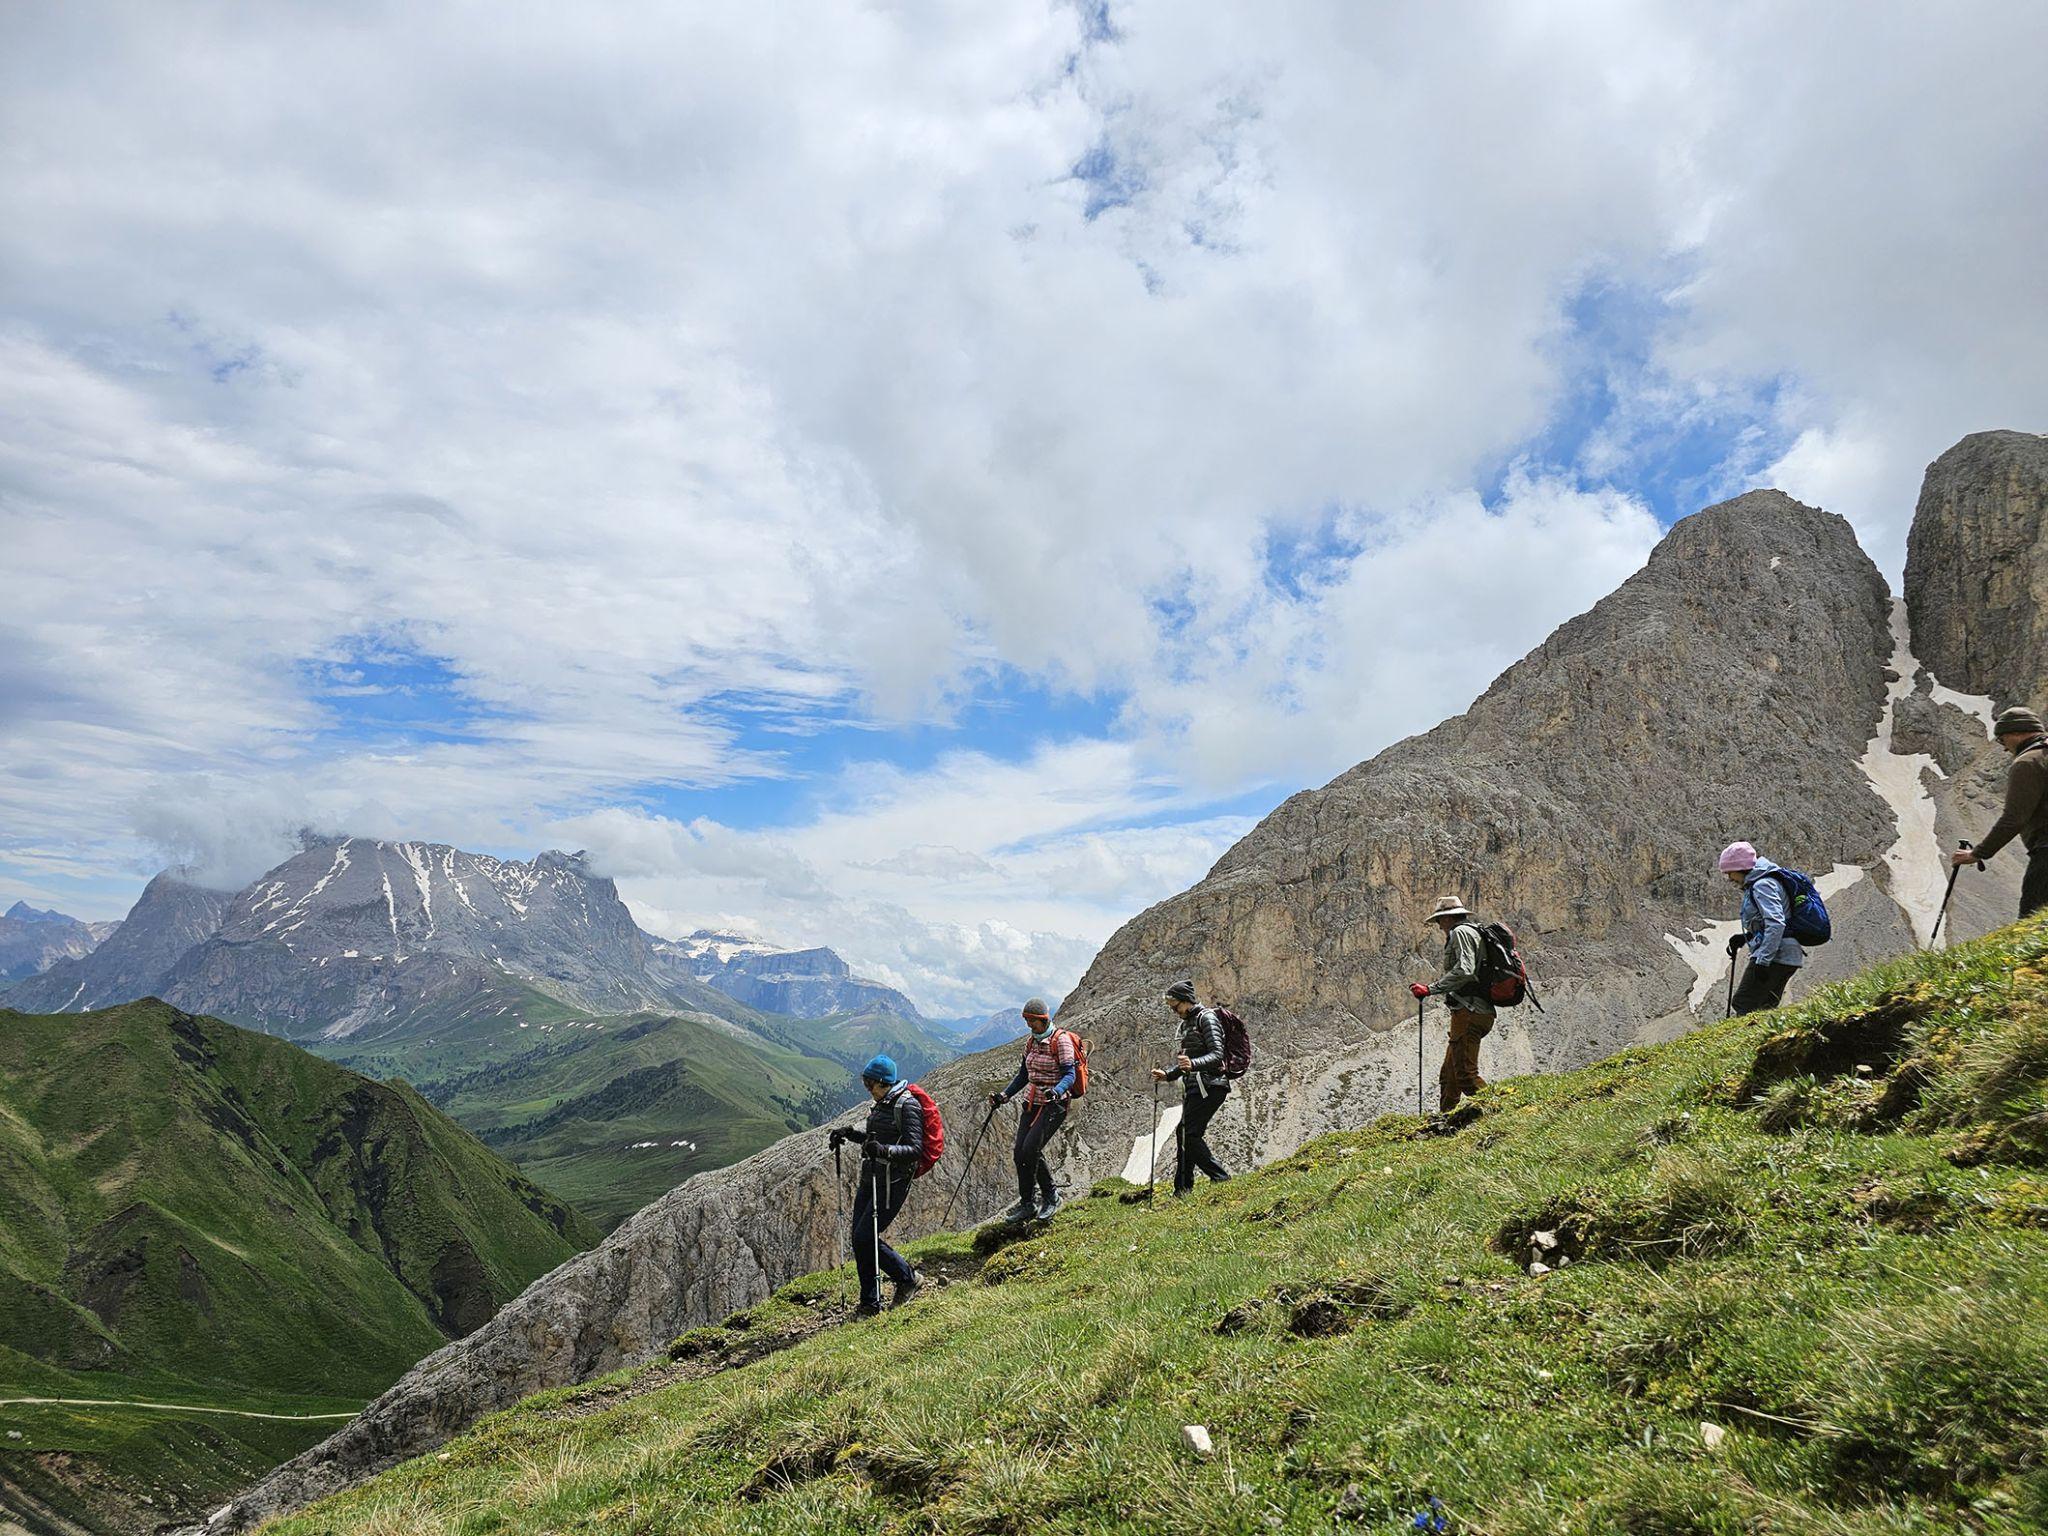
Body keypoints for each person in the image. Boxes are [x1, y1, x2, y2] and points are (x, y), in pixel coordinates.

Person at [828, 1054, 924, 1316]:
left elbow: (915, 1149)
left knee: (864, 1237)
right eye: (866, 1085)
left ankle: (907, 1279)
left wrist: (882, 1150)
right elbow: (874, 1140)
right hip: (870, 1177)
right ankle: (870, 1302)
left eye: (872, 1085)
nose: (869, 1090)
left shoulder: (907, 1106)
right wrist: (849, 1133)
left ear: (884, 1082)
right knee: (859, 1240)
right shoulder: (883, 1103)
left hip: (893, 1182)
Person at [1952, 706, 2048, 921]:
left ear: (2016, 732)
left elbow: (2014, 819)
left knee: (2032, 925)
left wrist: (1977, 854)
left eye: (2002, 740)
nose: (2004, 749)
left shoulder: (2028, 763)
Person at [988, 998, 1075, 1222]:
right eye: (1026, 1020)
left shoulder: (1061, 1041)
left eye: (1032, 1021)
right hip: (1032, 1102)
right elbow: (1023, 1076)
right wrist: (1004, 1095)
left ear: (1043, 1019)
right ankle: (1027, 1204)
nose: (1028, 1025)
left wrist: (1056, 1091)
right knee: (1020, 1153)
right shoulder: (1031, 1042)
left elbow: (1070, 1074)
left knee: (1031, 1149)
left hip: (1054, 1104)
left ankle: (1051, 1196)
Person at [1408, 896, 1495, 1112]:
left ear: (1448, 918)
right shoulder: (1474, 931)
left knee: (1465, 1074)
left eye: (1439, 921)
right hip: (1475, 1011)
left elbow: (1465, 969)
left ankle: (1498, 1111)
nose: (1439, 926)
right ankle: (1444, 1121)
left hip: (1470, 1011)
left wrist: (1430, 989)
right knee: (1449, 1075)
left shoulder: (1461, 933)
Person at [1150, 980, 1231, 1194]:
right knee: (1184, 1133)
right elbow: (1187, 1061)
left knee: (1188, 1133)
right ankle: (1182, 1188)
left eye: (1176, 1006)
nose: (1174, 1011)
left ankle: (1219, 1177)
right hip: (1197, 1086)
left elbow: (1217, 1055)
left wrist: (1193, 1064)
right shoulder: (1188, 1023)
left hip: (1211, 1085)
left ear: (1186, 1001)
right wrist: (1168, 1075)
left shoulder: (1208, 1018)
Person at [1717, 842, 1805, 1015]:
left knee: (1744, 1003)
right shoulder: (1764, 882)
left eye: (1729, 872)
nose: (1729, 878)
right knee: (1764, 1007)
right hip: (1787, 955)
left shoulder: (1762, 885)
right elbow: (1769, 923)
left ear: (1740, 867)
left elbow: (1776, 922)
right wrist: (1746, 937)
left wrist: (1763, 961)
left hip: (1776, 955)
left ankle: (1745, 1042)